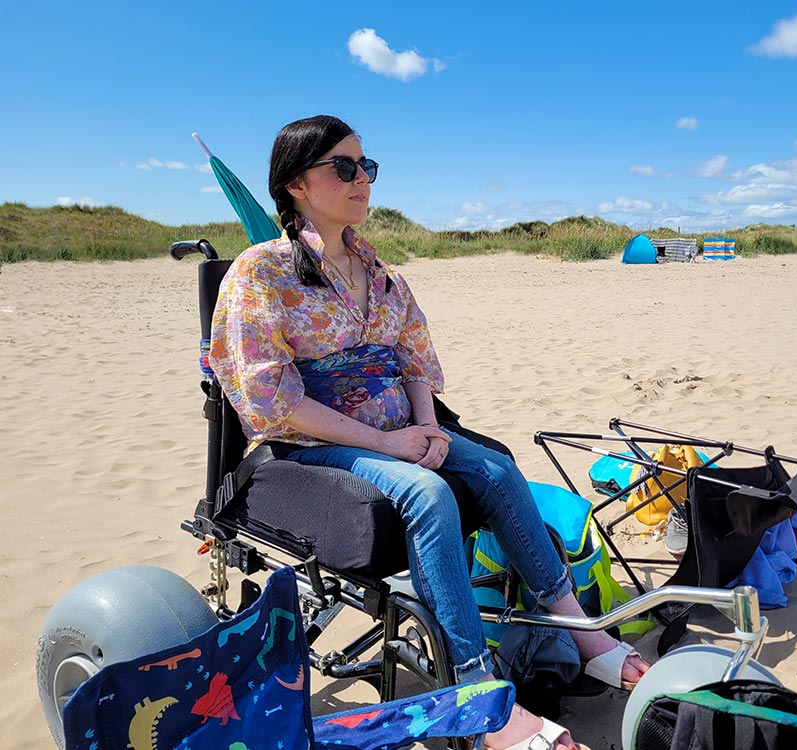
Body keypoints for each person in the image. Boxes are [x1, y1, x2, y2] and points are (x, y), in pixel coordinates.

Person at [209, 115, 649, 750]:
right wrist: (389, 445)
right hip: (313, 439)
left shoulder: (381, 272)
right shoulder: (261, 274)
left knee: (496, 469)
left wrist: (426, 425)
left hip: (401, 424)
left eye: (367, 166)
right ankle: (473, 687)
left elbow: (414, 359)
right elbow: (271, 396)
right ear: (296, 184)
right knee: (427, 493)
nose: (362, 179)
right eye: (344, 167)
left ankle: (578, 625)